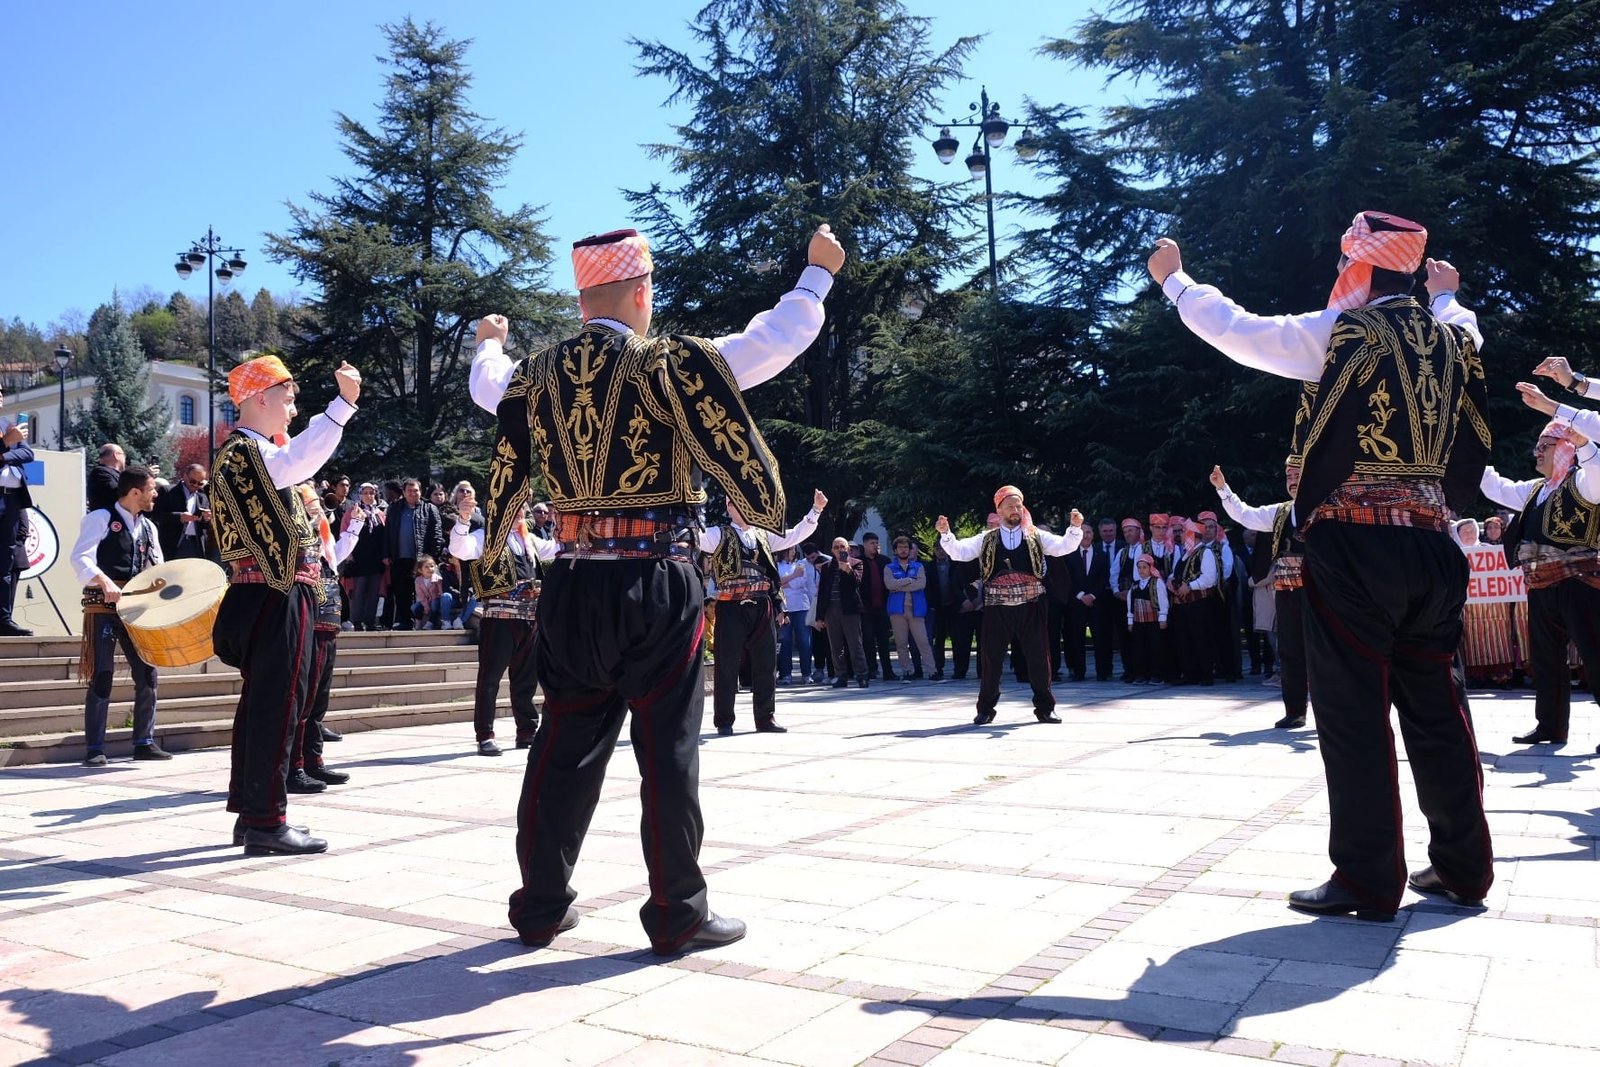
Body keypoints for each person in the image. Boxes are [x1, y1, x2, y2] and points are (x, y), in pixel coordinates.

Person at [471, 223, 846, 954]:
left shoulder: (533, 374)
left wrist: (489, 340)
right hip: (657, 576)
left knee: (565, 742)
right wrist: (816, 276)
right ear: (641, 292)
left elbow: (488, 384)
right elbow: (768, 343)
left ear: (582, 300)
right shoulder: (668, 361)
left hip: (572, 582)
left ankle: (541, 904)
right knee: (667, 747)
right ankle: (677, 911)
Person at [1149, 212, 1494, 920]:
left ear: (1363, 270)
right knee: (1437, 707)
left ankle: (1368, 878)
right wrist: (1450, 293)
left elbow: (1242, 331)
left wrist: (1174, 281)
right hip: (1434, 544)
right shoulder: (1454, 339)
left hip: (1357, 545)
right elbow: (1466, 321)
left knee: (1354, 713)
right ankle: (1464, 867)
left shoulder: (1344, 333)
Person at [210, 354, 362, 856]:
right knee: (278, 705)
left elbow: (291, 462)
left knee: (267, 703)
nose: (294, 407)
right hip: (273, 592)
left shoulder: (254, 452)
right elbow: (296, 460)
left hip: (273, 591)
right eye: (289, 396)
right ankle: (266, 820)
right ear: (261, 398)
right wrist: (342, 406)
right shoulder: (244, 453)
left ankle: (252, 811)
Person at [1479, 381, 1600, 748]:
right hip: (1542, 586)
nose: (1535, 453)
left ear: (1567, 447)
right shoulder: (1534, 489)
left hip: (1582, 585)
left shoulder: (1586, 483)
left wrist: (1585, 442)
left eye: (1543, 447)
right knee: (1546, 661)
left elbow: (1597, 465)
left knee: (1596, 657)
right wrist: (1469, 450)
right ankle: (1550, 726)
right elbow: (1494, 487)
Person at [936, 487, 1084, 725]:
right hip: (997, 606)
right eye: (1010, 506)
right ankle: (985, 709)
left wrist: (1075, 527)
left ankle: (1046, 709)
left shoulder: (1035, 536)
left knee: (1038, 657)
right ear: (999, 509)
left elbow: (1064, 546)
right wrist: (946, 534)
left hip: (1031, 605)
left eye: (1018, 506)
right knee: (991, 658)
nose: (1015, 510)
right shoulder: (986, 538)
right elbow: (959, 553)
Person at [70, 464, 170, 765]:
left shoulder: (149, 527)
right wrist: (104, 581)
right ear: (135, 492)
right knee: (102, 675)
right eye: (152, 489)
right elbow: (80, 557)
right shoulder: (100, 518)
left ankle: (144, 741)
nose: (156, 494)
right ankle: (95, 749)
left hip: (137, 610)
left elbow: (157, 568)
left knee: (147, 674)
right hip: (103, 607)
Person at [702, 490, 824, 735]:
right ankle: (724, 720)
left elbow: (795, 535)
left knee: (766, 663)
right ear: (729, 506)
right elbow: (694, 535)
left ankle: (765, 718)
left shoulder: (763, 535)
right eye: (740, 504)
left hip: (761, 604)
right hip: (731, 605)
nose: (747, 508)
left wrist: (816, 510)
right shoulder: (717, 534)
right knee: (726, 663)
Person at [1211, 462, 1310, 728]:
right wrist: (1223, 489)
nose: (1291, 480)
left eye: (1297, 475)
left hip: (1321, 591)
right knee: (1289, 650)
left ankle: (1333, 713)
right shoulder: (1280, 512)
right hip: (1288, 590)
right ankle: (1295, 710)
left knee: (1328, 653)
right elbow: (1245, 515)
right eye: (1288, 476)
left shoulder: (1327, 508)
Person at [286, 483, 361, 793]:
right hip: (310, 624)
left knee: (319, 701)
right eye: (312, 504)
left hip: (328, 625)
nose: (318, 508)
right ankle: (295, 766)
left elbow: (338, 554)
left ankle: (313, 760)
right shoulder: (300, 539)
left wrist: (355, 524)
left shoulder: (321, 541)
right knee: (304, 700)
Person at [384, 478, 446, 630]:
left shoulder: (429, 508)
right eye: (409, 491)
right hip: (399, 558)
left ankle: (426, 621)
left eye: (416, 490)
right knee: (401, 592)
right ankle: (405, 621)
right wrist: (386, 554)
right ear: (404, 492)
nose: (413, 493)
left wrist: (432, 558)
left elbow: (436, 535)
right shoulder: (394, 508)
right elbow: (387, 533)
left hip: (420, 561)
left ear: (421, 492)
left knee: (424, 593)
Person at [0, 386, 34, 637]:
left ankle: (3, 619)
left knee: (6, 562)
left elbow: (27, 452)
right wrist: (5, 444)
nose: (0, 395)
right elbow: (14, 449)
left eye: (1, 391)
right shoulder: (7, 432)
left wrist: (4, 453)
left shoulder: (7, 423)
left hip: (11, 501)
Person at [815, 536, 870, 687]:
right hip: (831, 610)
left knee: (855, 644)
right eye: (836, 547)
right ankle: (841, 675)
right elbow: (822, 592)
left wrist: (848, 570)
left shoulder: (857, 563)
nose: (839, 550)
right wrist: (819, 617)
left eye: (842, 547)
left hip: (849, 609)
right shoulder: (827, 567)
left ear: (848, 549)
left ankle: (862, 675)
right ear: (832, 551)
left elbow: (856, 583)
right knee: (836, 646)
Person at [885, 534, 938, 681]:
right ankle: (907, 671)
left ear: (910, 550)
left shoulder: (918, 566)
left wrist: (899, 584)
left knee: (923, 641)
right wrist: (909, 581)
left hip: (916, 610)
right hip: (897, 610)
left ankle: (932, 671)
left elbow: (921, 584)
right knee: (901, 643)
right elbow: (889, 584)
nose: (903, 550)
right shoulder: (889, 567)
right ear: (895, 550)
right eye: (900, 547)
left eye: (906, 547)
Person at [343, 483, 387, 630]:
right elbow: (344, 531)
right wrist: (348, 554)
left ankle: (370, 621)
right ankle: (356, 621)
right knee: (359, 590)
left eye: (372, 493)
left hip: (375, 558)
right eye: (366, 493)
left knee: (374, 591)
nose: (369, 496)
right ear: (360, 495)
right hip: (359, 557)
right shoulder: (352, 511)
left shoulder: (379, 514)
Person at [153, 464, 218, 562]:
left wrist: (206, 519)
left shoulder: (202, 496)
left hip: (196, 544)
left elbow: (204, 525)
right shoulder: (168, 491)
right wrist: (179, 517)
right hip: (173, 543)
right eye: (192, 482)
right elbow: (156, 515)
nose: (195, 485)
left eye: (199, 483)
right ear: (185, 476)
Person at [1123, 554, 1168, 684]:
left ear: (1150, 568)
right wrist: (1130, 620)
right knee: (1139, 649)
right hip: (1139, 622)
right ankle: (1141, 675)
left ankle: (1156, 675)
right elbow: (1130, 603)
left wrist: (1163, 618)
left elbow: (1162, 600)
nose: (1142, 570)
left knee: (1155, 648)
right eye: (1139, 567)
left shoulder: (1157, 583)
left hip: (1153, 621)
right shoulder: (1135, 585)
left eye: (1144, 567)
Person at [775, 546, 816, 685]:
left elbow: (800, 583)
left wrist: (785, 582)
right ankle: (786, 674)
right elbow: (776, 583)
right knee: (785, 641)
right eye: (791, 549)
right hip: (785, 607)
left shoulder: (801, 565)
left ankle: (806, 673)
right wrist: (793, 576)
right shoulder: (776, 565)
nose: (794, 552)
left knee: (804, 641)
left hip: (801, 607)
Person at [87, 443, 125, 512]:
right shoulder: (100, 472)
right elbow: (118, 494)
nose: (124, 458)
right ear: (116, 455)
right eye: (123, 454)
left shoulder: (104, 473)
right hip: (106, 520)